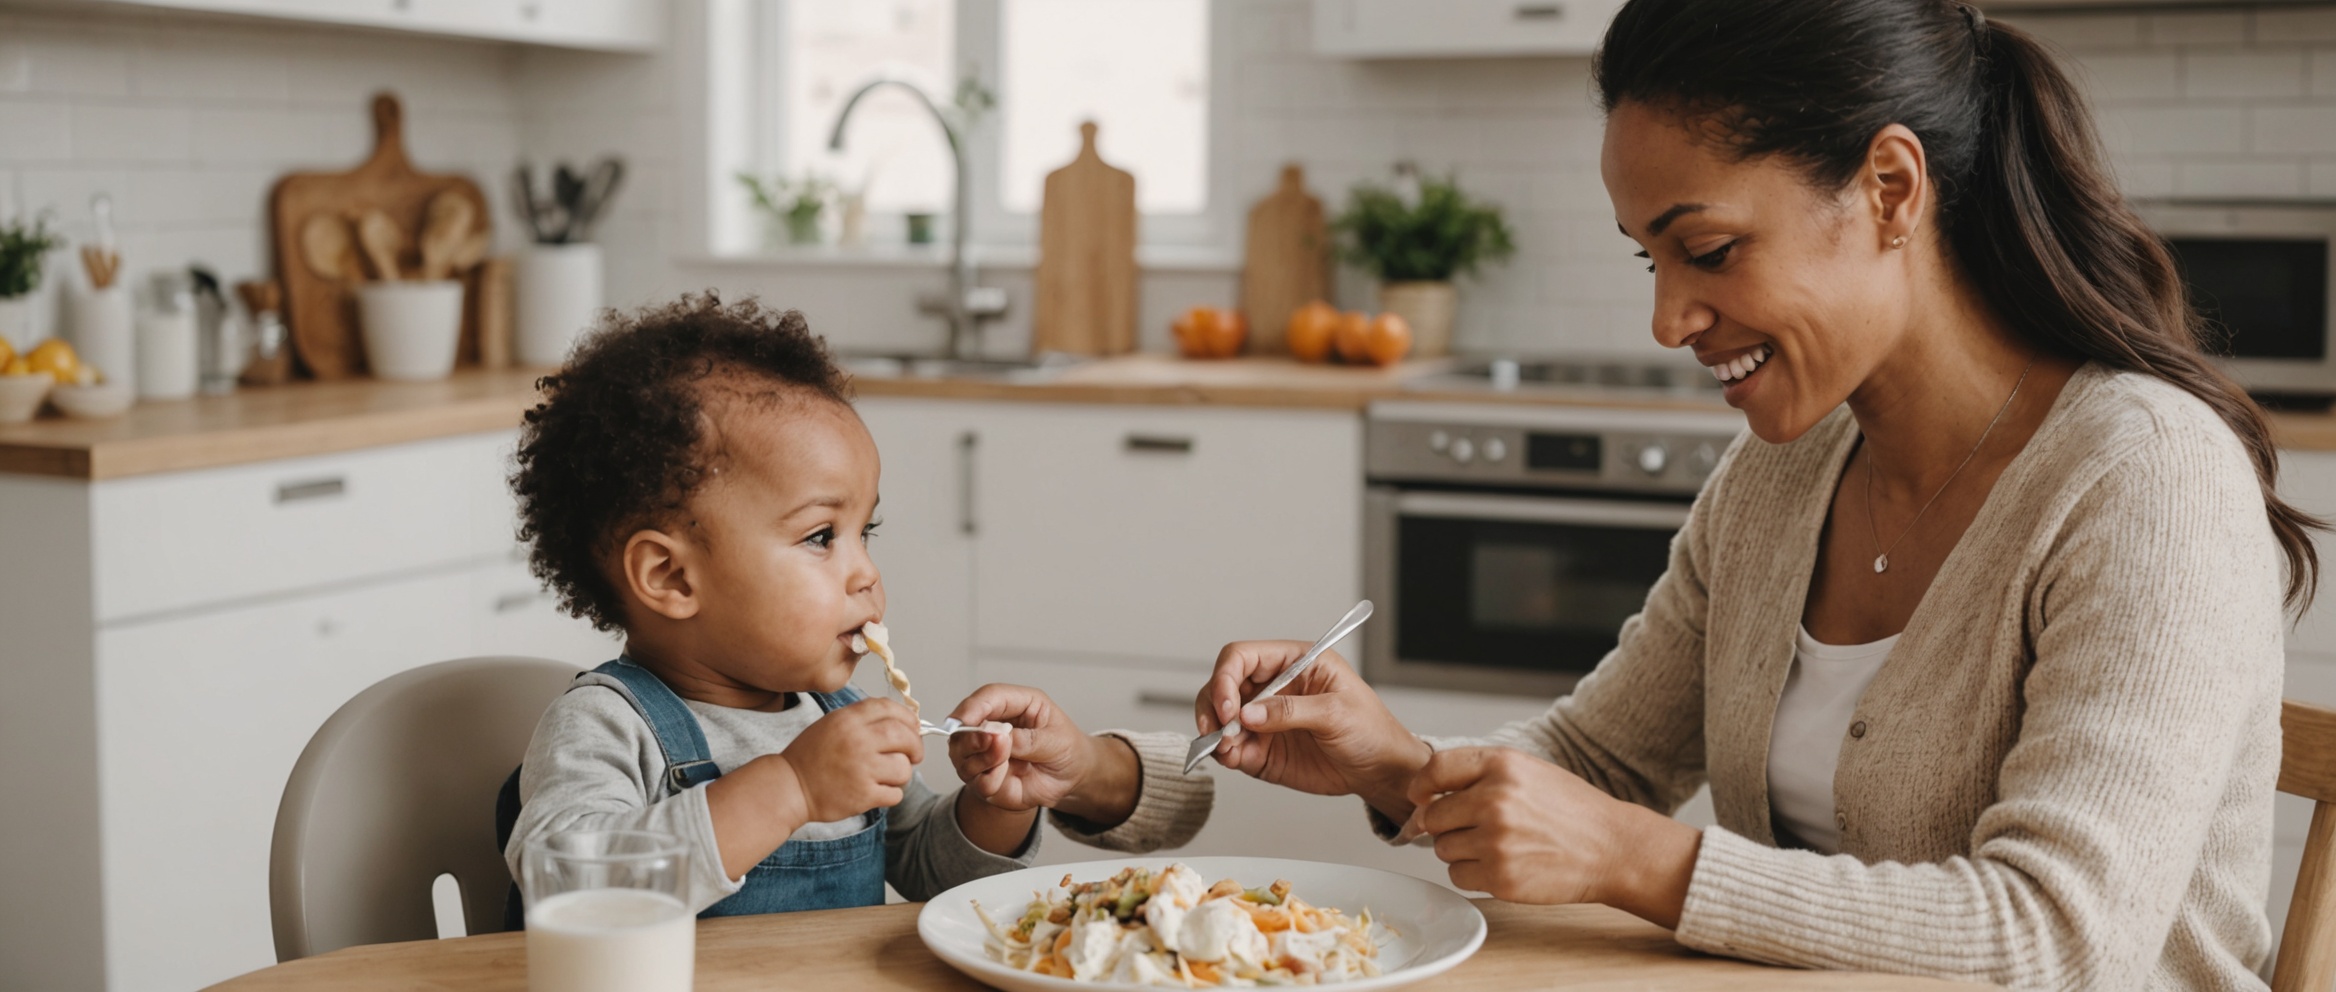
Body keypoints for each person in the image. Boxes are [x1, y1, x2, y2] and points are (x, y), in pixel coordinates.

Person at [1184, 1, 2319, 988]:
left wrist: (1641, 860)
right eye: (1649, 259)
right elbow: (1604, 760)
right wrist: (1394, 763)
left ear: (1887, 188)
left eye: (1711, 250)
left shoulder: (2144, 475)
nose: (1668, 317)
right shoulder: (1787, 466)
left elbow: (2059, 941)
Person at [497, 295, 1210, 917]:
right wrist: (791, 788)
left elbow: (930, 873)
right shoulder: (607, 726)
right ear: (670, 577)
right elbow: (566, 884)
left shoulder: (828, 714)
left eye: (863, 533)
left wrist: (993, 806)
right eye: (819, 536)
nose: (866, 573)